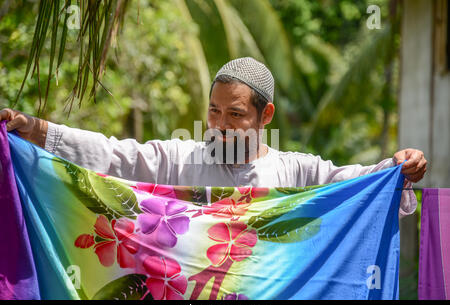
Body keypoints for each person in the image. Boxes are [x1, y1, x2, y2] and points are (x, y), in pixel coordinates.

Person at [1, 57, 427, 215]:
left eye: (235, 114)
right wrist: (36, 130)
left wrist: (398, 168)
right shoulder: (180, 158)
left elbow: (357, 183)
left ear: (266, 116)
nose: (220, 125)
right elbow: (115, 156)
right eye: (213, 111)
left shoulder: (298, 169)